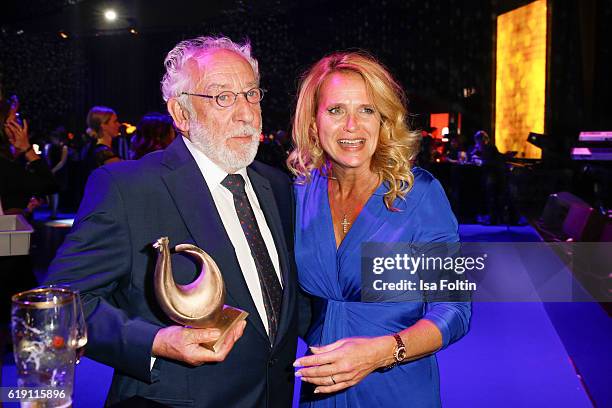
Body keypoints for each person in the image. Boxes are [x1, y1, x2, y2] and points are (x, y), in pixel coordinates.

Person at [46, 36, 299, 407]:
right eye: (223, 97)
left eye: (251, 95)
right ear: (181, 114)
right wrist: (156, 342)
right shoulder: (128, 189)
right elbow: (59, 303)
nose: (247, 114)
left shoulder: (276, 186)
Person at [287, 52, 471, 407]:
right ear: (313, 123)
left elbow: (454, 311)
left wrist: (383, 352)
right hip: (321, 388)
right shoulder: (298, 195)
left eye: (367, 110)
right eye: (336, 110)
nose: (352, 125)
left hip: (396, 385)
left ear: (384, 121)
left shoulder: (421, 196)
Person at [84, 105, 121, 171]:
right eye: (115, 121)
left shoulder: (102, 149)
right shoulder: (103, 153)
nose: (119, 124)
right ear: (103, 126)